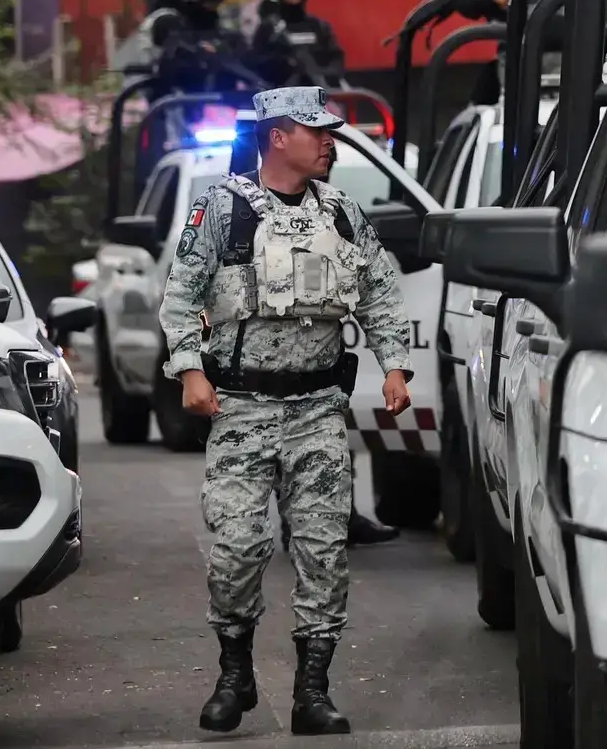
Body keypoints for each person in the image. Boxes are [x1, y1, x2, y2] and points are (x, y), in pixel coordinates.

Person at [158, 88, 413, 737]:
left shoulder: (344, 214)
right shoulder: (222, 209)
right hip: (242, 408)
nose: (330, 142)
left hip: (317, 412)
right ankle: (235, 673)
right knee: (237, 549)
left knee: (324, 552)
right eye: (316, 132)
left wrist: (396, 367)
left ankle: (312, 690)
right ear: (278, 137)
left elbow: (380, 288)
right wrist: (189, 367)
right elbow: (183, 291)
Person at [248, 0, 347, 90]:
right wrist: (281, 63)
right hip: (280, 91)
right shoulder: (269, 29)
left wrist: (325, 75)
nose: (292, 0)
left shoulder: (318, 26)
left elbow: (335, 58)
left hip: (318, 89)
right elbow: (255, 59)